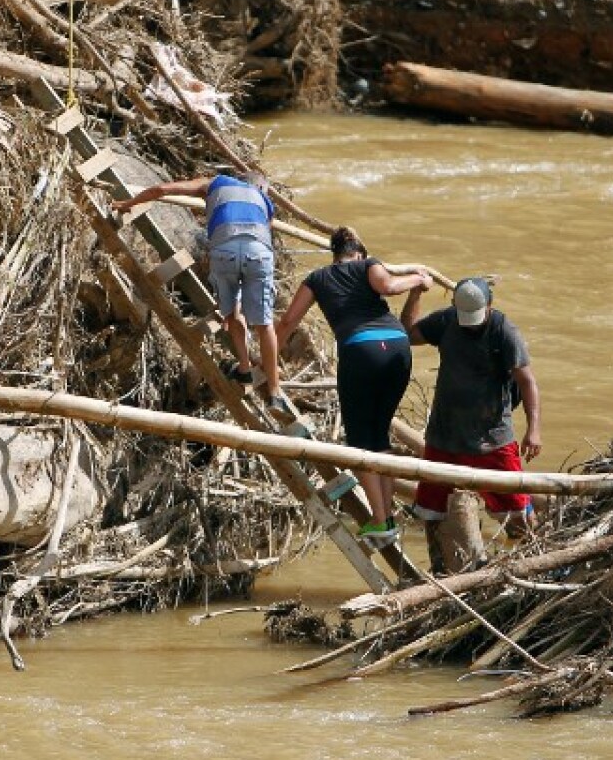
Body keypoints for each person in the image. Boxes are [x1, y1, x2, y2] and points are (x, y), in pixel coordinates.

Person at [275, 227, 431, 546]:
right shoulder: (368, 264)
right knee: (378, 435)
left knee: (361, 441)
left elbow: (289, 320)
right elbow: (387, 286)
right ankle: (385, 517)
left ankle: (381, 520)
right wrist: (419, 279)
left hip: (361, 351)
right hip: (397, 348)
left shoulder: (318, 278)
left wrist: (268, 358)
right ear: (358, 251)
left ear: (334, 254)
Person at [111, 169, 288, 414]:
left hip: (224, 250)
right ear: (259, 188)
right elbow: (264, 236)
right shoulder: (265, 202)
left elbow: (162, 190)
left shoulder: (216, 182)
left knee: (232, 313)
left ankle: (245, 369)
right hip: (258, 252)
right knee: (265, 324)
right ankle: (276, 394)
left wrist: (127, 204)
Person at [401, 275, 541, 567]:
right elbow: (408, 333)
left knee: (517, 512)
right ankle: (440, 566)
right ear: (453, 305)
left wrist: (533, 430)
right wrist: (415, 294)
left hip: (491, 439)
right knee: (432, 510)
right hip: (445, 436)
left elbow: (527, 382)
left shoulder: (504, 331)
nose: (471, 323)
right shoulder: (447, 321)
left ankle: (527, 561)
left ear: (490, 305)